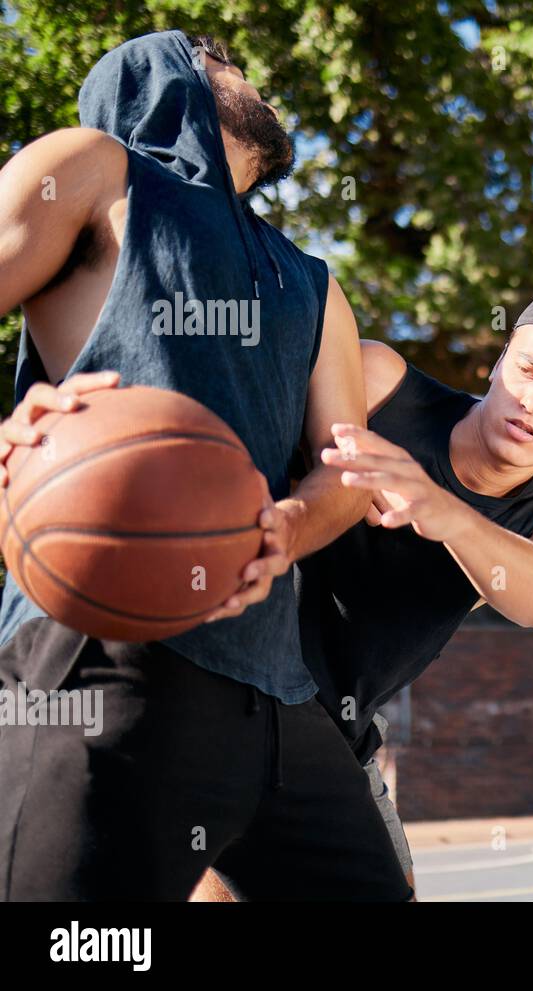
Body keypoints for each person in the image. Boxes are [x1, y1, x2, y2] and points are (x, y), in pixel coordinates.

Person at [0, 31, 410, 900]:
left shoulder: (310, 280)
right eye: (220, 52)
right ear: (166, 72)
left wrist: (293, 522)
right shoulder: (93, 168)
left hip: (274, 690)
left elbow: (347, 468)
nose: (248, 70)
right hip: (99, 658)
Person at [192, 285, 533, 899]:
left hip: (339, 742)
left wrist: (441, 510)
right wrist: (316, 478)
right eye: (528, 369)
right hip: (225, 691)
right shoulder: (381, 382)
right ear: (501, 357)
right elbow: (234, 422)